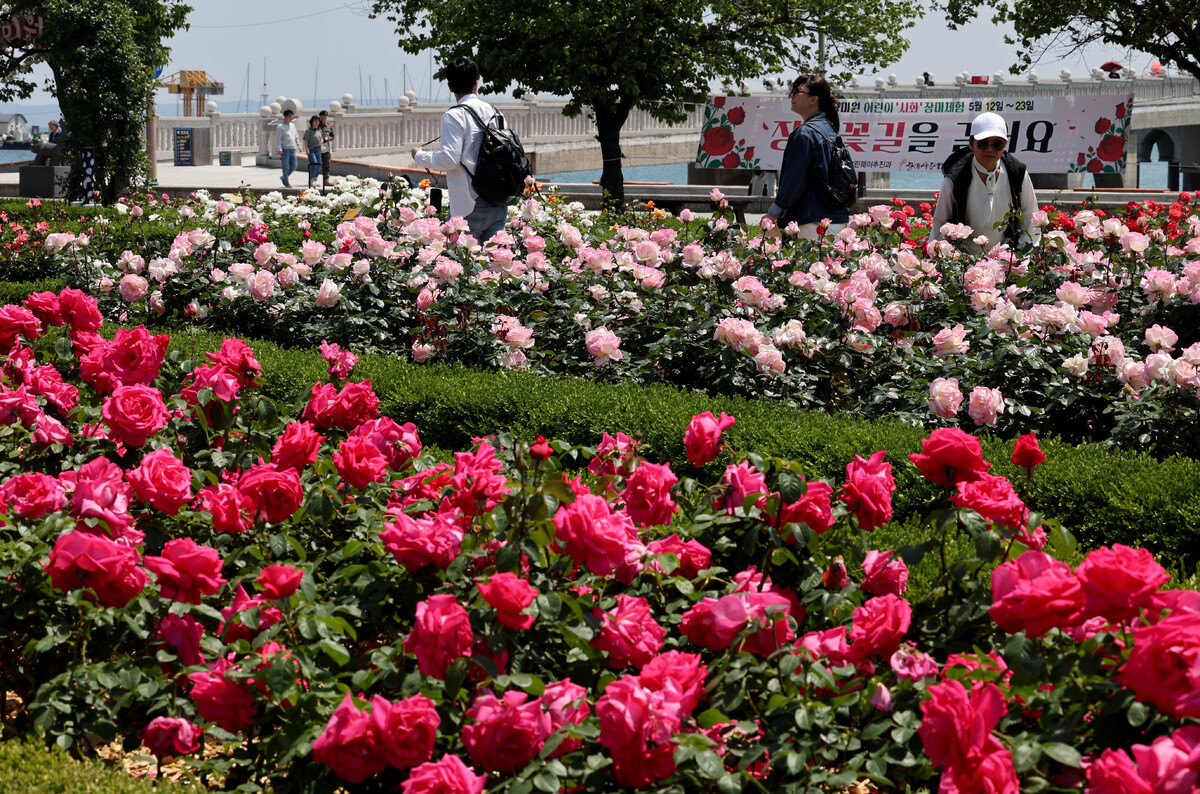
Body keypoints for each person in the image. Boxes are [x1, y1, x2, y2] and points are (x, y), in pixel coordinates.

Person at [410, 56, 507, 241]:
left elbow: (450, 160)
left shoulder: (454, 116)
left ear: (450, 87)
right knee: (495, 266)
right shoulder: (496, 113)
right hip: (498, 202)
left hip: (469, 205)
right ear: (476, 84)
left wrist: (419, 156)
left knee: (458, 266)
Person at [928, 111, 1040, 252]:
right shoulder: (955, 178)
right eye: (983, 144)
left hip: (1007, 261)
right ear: (971, 143)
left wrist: (1022, 258)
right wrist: (943, 260)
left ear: (1005, 145)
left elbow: (1030, 216)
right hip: (963, 262)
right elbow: (940, 222)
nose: (990, 149)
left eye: (997, 144)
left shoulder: (1017, 174)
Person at [764, 74, 850, 240]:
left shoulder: (806, 133)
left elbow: (794, 178)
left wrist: (774, 211)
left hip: (813, 221)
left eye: (797, 91)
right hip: (834, 218)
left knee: (812, 265)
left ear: (813, 100)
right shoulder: (829, 129)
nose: (792, 95)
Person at [276, 109, 300, 188]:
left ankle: (284, 177)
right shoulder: (281, 126)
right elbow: (278, 138)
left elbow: (296, 135)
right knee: (285, 167)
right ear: (285, 117)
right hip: (285, 149)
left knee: (294, 166)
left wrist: (298, 144)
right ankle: (286, 183)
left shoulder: (292, 126)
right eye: (289, 116)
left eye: (291, 117)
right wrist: (279, 148)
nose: (291, 118)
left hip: (293, 148)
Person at [303, 115, 324, 189]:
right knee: (313, 163)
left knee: (318, 164)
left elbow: (322, 138)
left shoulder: (319, 130)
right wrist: (306, 149)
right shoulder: (309, 131)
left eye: (318, 121)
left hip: (318, 149)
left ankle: (315, 179)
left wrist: (321, 141)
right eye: (315, 121)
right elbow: (306, 140)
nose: (317, 123)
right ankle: (312, 179)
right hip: (311, 149)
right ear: (312, 122)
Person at [318, 110, 334, 187]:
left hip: (326, 148)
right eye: (322, 116)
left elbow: (332, 136)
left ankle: (326, 180)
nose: (324, 118)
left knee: (327, 164)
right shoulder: (317, 126)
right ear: (320, 117)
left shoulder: (328, 126)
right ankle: (313, 179)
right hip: (318, 147)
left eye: (325, 116)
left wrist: (328, 138)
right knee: (316, 164)